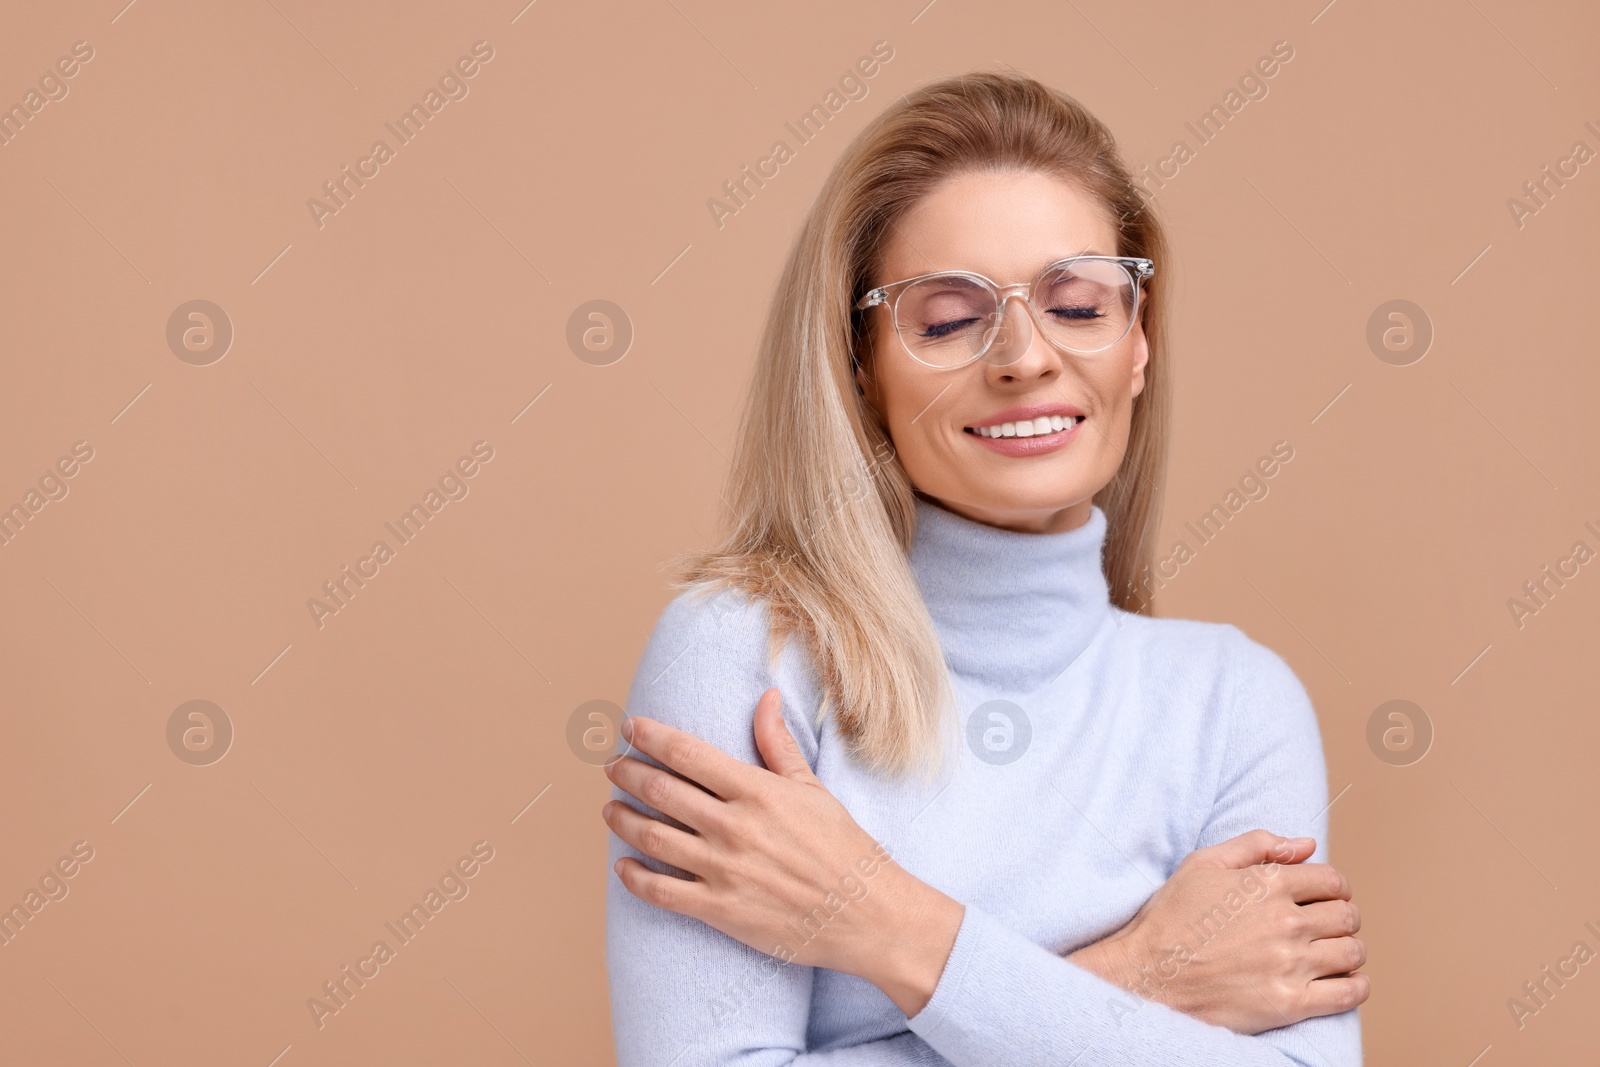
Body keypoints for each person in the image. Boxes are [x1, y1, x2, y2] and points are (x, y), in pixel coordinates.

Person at [602, 68, 1367, 1066]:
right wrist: (1144, 974)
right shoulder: (744, 651)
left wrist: (881, 917)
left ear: (1139, 341)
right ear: (859, 364)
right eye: (949, 318)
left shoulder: (1232, 699)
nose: (1022, 356)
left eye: (1079, 303)